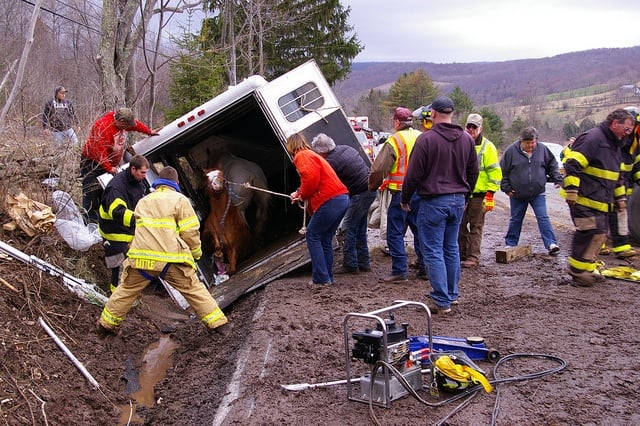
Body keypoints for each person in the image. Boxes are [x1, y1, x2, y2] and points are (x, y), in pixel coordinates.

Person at [97, 166, 231, 336]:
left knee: (125, 291)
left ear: (159, 182)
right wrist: (196, 254)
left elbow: (136, 228)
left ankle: (105, 326)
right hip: (170, 260)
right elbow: (190, 233)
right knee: (194, 290)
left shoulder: (144, 201)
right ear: (176, 183)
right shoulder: (180, 200)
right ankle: (220, 326)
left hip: (141, 260)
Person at [401, 96, 478, 314]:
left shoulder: (426, 140)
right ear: (452, 114)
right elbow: (473, 172)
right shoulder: (466, 139)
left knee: (433, 250)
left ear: (433, 114)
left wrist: (405, 198)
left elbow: (413, 175)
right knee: (451, 248)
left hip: (434, 202)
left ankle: (441, 300)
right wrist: (466, 195)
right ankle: (451, 295)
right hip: (457, 200)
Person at [563, 109, 635, 287]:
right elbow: (572, 163)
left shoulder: (615, 145)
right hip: (583, 199)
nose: (628, 133)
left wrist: (620, 199)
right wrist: (571, 190)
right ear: (614, 124)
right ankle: (577, 271)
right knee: (589, 232)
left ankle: (586, 268)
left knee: (600, 234)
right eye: (626, 129)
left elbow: (618, 176)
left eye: (630, 130)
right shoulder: (593, 138)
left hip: (600, 201)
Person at [286, 133, 349, 285]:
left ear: (291, 146)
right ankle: (327, 277)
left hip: (330, 200)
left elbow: (310, 178)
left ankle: (321, 279)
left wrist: (301, 194)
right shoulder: (312, 155)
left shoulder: (301, 156)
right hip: (341, 198)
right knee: (325, 239)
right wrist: (300, 192)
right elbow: (312, 179)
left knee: (313, 236)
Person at [369, 107, 422, 283]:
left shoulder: (395, 140)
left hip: (400, 193)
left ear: (397, 122)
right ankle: (425, 266)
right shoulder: (421, 136)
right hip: (421, 193)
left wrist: (372, 186)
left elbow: (379, 169)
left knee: (394, 233)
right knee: (420, 230)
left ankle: (400, 270)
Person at [311, 133, 377, 274]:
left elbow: (324, 183)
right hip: (369, 191)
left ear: (322, 151)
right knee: (360, 229)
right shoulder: (346, 148)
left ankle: (350, 264)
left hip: (359, 194)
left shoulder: (331, 162)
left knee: (348, 229)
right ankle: (364, 263)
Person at [81, 107, 158, 223]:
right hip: (93, 163)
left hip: (110, 163)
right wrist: (109, 167)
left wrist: (149, 131)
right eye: (126, 126)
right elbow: (99, 151)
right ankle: (89, 220)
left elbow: (135, 125)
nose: (128, 128)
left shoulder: (123, 122)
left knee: (107, 191)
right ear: (121, 121)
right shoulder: (103, 127)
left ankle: (103, 218)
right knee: (91, 192)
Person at [500, 127, 562, 255]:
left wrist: (557, 179)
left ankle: (551, 244)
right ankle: (510, 243)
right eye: (527, 143)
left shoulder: (542, 149)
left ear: (536, 140)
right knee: (516, 219)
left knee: (543, 217)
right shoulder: (511, 151)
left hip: (537, 193)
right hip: (517, 194)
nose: (530, 146)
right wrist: (506, 188)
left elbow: (552, 164)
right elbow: (503, 171)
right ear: (521, 141)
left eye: (532, 143)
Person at [98, 154, 150, 294]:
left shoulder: (138, 182)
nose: (145, 176)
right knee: (118, 266)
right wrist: (139, 220)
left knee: (132, 264)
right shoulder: (116, 187)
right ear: (133, 169)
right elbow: (117, 212)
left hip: (127, 231)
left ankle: (128, 294)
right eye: (142, 173)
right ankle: (115, 296)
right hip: (113, 232)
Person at [459, 113, 502, 268]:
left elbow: (495, 173)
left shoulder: (487, 147)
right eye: (468, 126)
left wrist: (490, 195)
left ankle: (473, 257)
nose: (471, 130)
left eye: (474, 127)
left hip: (479, 195)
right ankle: (460, 254)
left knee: (476, 227)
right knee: (460, 226)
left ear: (480, 129)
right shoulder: (460, 144)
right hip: (462, 193)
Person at [600, 106, 639, 259]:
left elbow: (636, 163)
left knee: (620, 212)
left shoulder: (634, 142)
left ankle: (621, 247)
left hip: (622, 183)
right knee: (603, 213)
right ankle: (599, 243)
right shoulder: (614, 139)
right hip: (606, 182)